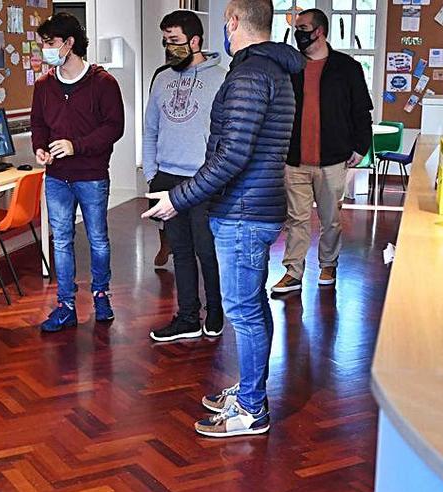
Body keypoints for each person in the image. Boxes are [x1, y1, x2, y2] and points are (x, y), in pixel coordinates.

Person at [144, 0, 302, 437]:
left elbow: (232, 154)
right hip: (254, 207)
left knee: (244, 311)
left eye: (226, 24)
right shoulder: (272, 68)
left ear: (233, 22)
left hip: (245, 210)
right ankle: (251, 390)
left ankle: (252, 410)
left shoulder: (251, 73)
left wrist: (179, 198)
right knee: (252, 306)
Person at [31, 12, 125, 332]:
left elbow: (114, 127)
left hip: (92, 175)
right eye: (43, 43)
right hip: (56, 177)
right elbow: (38, 124)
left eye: (50, 43)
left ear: (69, 43)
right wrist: (40, 147)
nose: (44, 49)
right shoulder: (44, 85)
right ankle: (66, 305)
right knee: (61, 241)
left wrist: (77, 146)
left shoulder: (103, 83)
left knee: (98, 239)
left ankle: (101, 296)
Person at [271, 9, 373, 294]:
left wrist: (360, 147)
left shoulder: (347, 67)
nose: (298, 32)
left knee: (331, 219)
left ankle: (329, 264)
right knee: (296, 220)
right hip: (294, 159)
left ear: (320, 31)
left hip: (332, 158)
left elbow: (361, 111)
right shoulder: (290, 66)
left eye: (303, 27)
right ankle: (293, 272)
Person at [143, 10, 226, 342]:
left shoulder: (221, 78)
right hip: (167, 179)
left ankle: (215, 311)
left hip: (204, 181)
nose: (169, 47)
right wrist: (152, 174)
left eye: (175, 41)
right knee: (180, 250)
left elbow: (226, 136)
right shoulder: (161, 79)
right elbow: (150, 130)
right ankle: (188, 316)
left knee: (207, 250)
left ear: (195, 41)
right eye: (165, 41)